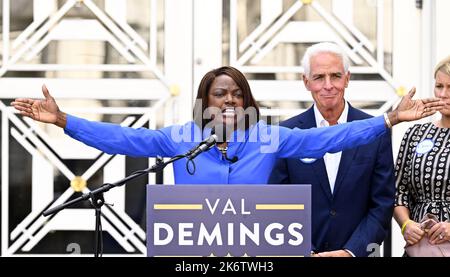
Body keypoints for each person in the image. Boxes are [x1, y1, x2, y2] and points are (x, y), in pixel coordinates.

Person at [11, 66, 441, 186]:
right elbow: (124, 139)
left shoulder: (267, 137)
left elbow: (328, 136)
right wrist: (64, 120)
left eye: (237, 93)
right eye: (221, 94)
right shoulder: (181, 138)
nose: (231, 100)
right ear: (205, 103)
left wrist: (388, 119)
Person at [268, 42, 395, 257]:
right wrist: (302, 250)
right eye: (319, 77)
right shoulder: (285, 134)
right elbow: (276, 202)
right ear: (306, 82)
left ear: (347, 78)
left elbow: (381, 204)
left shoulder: (375, 132)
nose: (328, 85)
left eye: (335, 76)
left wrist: (349, 252)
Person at [393, 55, 450, 255]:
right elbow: (398, 190)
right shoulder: (415, 134)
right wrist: (406, 224)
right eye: (439, 86)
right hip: (419, 249)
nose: (443, 94)